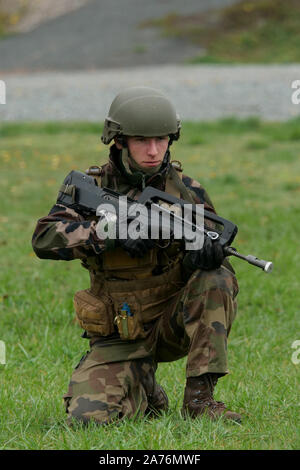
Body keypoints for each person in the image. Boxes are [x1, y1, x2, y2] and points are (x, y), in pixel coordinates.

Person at [32, 86, 241, 425]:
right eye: (142, 140)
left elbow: (206, 263)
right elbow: (43, 239)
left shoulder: (186, 192)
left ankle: (200, 402)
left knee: (217, 276)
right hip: (118, 331)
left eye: (161, 140)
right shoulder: (93, 188)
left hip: (170, 324)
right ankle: (145, 387)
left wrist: (202, 257)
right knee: (88, 421)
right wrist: (109, 234)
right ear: (118, 140)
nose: (154, 150)